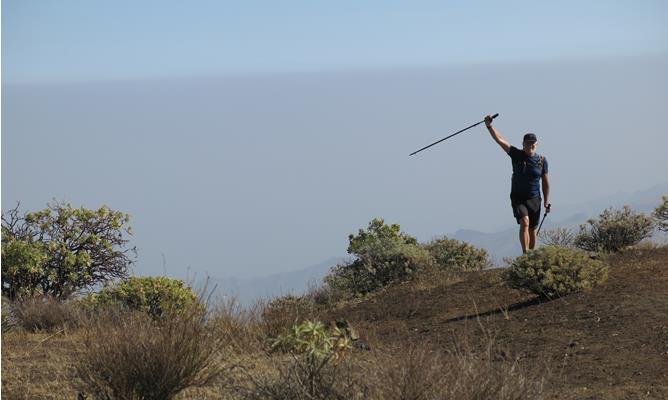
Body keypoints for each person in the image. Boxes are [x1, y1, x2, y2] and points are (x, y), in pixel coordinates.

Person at [484, 114, 550, 253]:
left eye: (532, 143)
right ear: (523, 144)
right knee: (524, 223)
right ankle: (525, 254)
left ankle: (532, 256)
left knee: (532, 230)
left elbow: (545, 183)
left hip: (535, 199)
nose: (530, 145)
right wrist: (489, 126)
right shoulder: (516, 154)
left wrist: (546, 201)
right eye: (527, 143)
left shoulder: (542, 160)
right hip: (518, 198)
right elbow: (500, 140)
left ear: (536, 144)